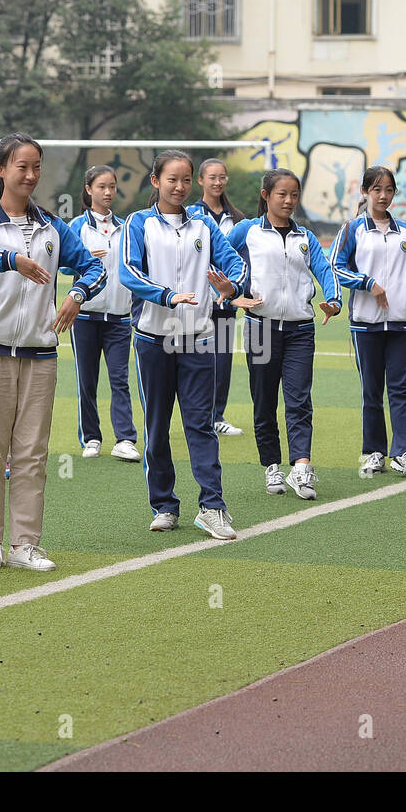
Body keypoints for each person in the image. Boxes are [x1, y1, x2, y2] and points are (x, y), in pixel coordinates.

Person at [0, 133, 105, 572]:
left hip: (41, 352)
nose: (31, 175)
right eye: (22, 166)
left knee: (33, 453)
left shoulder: (55, 227)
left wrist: (76, 294)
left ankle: (25, 543)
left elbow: (95, 267)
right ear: (0, 170)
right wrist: (8, 259)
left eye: (36, 166)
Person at [120, 149, 248, 540]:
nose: (180, 186)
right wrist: (165, 296)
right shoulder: (138, 223)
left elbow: (236, 265)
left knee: (201, 425)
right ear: (155, 181)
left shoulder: (204, 226)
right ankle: (164, 505)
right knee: (157, 426)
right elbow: (128, 270)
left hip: (198, 340)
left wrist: (232, 287)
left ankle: (213, 506)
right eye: (171, 179)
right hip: (153, 341)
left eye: (186, 179)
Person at [227, 169, 339, 500]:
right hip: (260, 328)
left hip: (300, 331)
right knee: (264, 401)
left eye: (294, 195)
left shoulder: (306, 237)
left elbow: (324, 270)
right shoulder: (246, 231)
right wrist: (233, 295)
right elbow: (214, 258)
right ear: (266, 196)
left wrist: (333, 301)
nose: (289, 201)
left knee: (299, 400)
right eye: (282, 194)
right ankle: (271, 466)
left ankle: (301, 468)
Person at [331, 165, 406, 480]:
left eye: (389, 190)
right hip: (366, 323)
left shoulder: (404, 231)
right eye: (377, 189)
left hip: (403, 322)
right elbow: (335, 267)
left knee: (403, 389)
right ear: (365, 192)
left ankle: (404, 452)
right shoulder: (352, 229)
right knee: (371, 391)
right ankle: (375, 452)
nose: (383, 196)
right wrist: (368, 283)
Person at [66, 165, 139, 462]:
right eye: (101, 187)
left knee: (120, 379)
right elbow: (61, 264)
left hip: (120, 317)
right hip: (85, 317)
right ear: (88, 189)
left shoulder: (127, 227)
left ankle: (125, 438)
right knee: (87, 380)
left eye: (112, 187)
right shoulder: (76, 227)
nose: (108, 192)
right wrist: (82, 261)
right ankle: (92, 437)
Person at [188, 158, 245, 437]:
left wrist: (236, 290)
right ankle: (198, 416)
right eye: (212, 177)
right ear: (200, 180)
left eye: (222, 177)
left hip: (227, 302)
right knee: (198, 362)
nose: (217, 182)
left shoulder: (237, 218)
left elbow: (243, 260)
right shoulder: (190, 215)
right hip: (197, 301)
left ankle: (217, 416)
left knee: (222, 361)